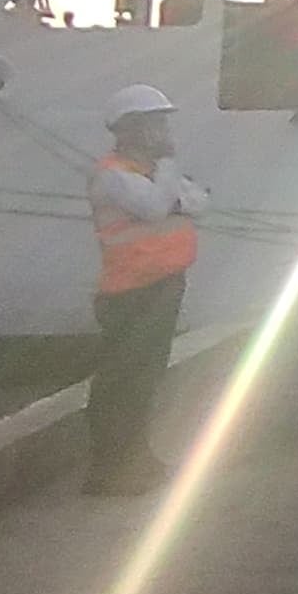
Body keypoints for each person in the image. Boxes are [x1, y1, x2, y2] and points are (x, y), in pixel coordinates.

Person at [86, 84, 209, 495]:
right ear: (131, 129)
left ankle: (138, 459)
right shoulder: (114, 176)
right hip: (130, 293)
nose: (164, 131)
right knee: (123, 382)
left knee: (146, 379)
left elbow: (199, 202)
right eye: (156, 123)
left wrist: (171, 189)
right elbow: (159, 207)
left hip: (159, 287)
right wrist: (170, 169)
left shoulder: (147, 175)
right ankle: (110, 470)